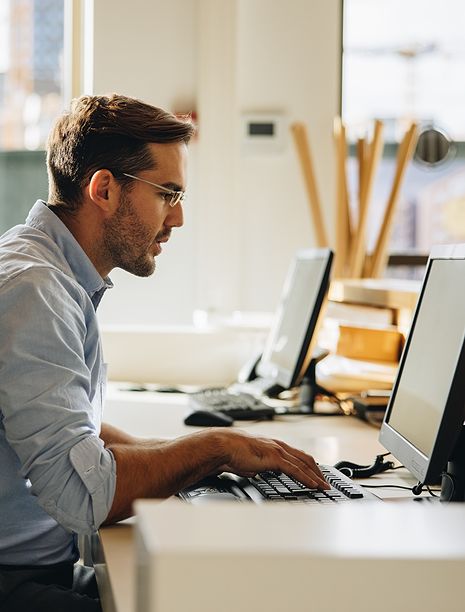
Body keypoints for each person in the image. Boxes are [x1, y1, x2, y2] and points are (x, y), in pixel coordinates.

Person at [0, 94, 328, 611]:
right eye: (168, 194)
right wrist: (211, 449)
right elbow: (81, 496)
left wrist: (189, 458)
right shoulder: (36, 290)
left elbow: (59, 425)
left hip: (37, 566)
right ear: (104, 189)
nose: (177, 219)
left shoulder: (46, 271)